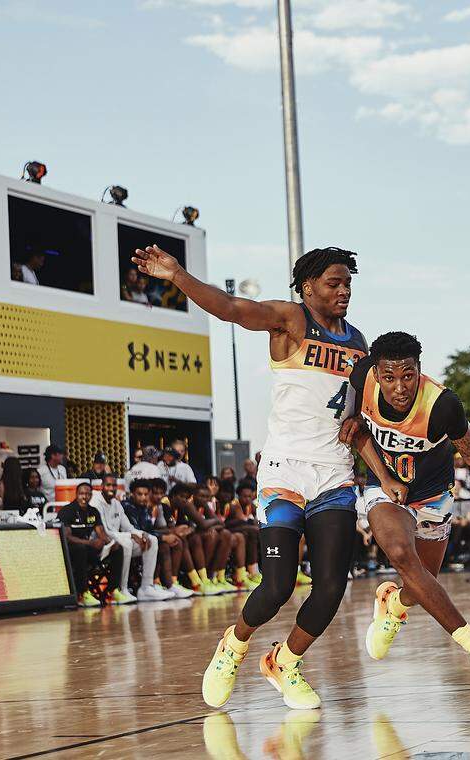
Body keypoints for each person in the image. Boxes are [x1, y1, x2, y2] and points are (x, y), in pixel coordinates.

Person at [135, 243, 367, 710]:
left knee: (331, 588)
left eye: (348, 283)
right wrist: (178, 275)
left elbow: (358, 409)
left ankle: (284, 662)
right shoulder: (290, 319)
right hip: (286, 468)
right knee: (277, 586)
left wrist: (362, 423)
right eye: (333, 283)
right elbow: (231, 308)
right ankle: (234, 646)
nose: (343, 291)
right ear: (308, 287)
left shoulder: (359, 342)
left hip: (336, 473)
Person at [338, 332, 470, 695]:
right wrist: (382, 477)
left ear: (419, 371)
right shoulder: (361, 376)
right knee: (401, 555)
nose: (399, 387)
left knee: (420, 585)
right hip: (385, 489)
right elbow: (357, 432)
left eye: (408, 375)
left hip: (433, 495)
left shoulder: (443, 405)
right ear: (377, 374)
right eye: (390, 377)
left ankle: (394, 603)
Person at [91, 474, 171, 602]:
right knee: (127, 542)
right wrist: (131, 535)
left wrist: (142, 534)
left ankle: (146, 588)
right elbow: (106, 532)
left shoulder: (116, 503)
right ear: (102, 486)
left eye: (114, 485)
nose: (111, 488)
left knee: (152, 540)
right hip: (103, 543)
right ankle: (123, 589)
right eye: (108, 485)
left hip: (119, 540)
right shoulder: (96, 503)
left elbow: (128, 526)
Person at [123, 479, 195, 599]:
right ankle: (153, 585)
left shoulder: (144, 508)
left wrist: (167, 535)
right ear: (132, 494)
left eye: (145, 494)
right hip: (129, 542)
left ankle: (170, 584)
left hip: (143, 542)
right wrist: (164, 537)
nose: (143, 497)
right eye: (139, 494)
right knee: (160, 543)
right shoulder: (127, 507)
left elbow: (149, 530)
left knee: (171, 543)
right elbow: (136, 530)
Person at [58, 482, 124, 607]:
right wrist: (90, 543)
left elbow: (101, 532)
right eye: (82, 494)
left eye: (88, 494)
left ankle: (112, 591)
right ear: (76, 494)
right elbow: (67, 537)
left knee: (117, 549)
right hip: (71, 551)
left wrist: (108, 542)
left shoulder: (93, 511)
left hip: (88, 548)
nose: (85, 497)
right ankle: (82, 594)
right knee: (80, 549)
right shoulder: (67, 511)